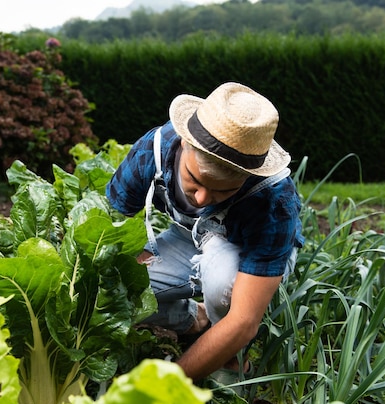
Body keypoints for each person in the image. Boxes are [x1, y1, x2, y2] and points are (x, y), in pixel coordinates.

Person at [106, 81, 304, 382]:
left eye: (222, 190)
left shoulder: (273, 200)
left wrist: (172, 384)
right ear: (184, 143)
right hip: (189, 238)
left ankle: (234, 362)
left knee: (225, 285)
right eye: (194, 181)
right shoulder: (152, 152)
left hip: (240, 249)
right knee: (117, 287)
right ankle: (193, 319)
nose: (200, 199)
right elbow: (108, 231)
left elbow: (242, 320)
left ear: (248, 176)